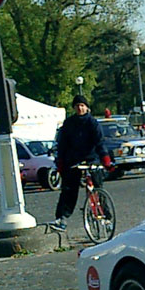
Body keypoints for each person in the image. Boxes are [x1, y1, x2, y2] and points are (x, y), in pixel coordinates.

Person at [49, 95, 111, 231]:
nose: (80, 108)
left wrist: (105, 158)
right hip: (73, 160)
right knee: (69, 190)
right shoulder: (69, 123)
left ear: (87, 107)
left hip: (91, 158)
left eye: (82, 105)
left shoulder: (92, 123)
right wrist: (60, 161)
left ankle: (106, 218)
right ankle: (61, 219)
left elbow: (99, 141)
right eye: (77, 106)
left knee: (98, 188)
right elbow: (62, 144)